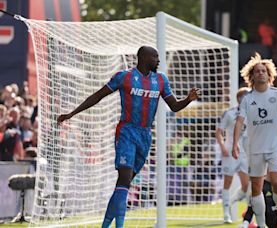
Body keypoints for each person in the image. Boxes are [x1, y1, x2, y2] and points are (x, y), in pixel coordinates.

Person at [57, 46, 200, 228]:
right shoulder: (124, 77)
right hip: (126, 131)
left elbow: (174, 106)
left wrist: (188, 99)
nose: (158, 60)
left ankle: (105, 225)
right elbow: (97, 96)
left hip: (146, 135)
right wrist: (72, 114)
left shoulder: (161, 80)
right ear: (143, 58)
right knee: (124, 180)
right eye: (155, 56)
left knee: (122, 185)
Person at [233, 38, 277, 228]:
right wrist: (234, 145)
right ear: (252, 76)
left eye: (264, 70)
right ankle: (261, 223)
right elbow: (239, 123)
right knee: (256, 187)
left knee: (275, 180)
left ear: (268, 74)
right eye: (258, 71)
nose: (261, 73)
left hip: (275, 146)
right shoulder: (248, 99)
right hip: (254, 146)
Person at [216, 87, 250, 223]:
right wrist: (223, 146)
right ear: (240, 98)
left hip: (245, 153)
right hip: (230, 152)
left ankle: (229, 203)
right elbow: (219, 131)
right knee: (227, 182)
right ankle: (226, 214)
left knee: (246, 185)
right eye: (246, 96)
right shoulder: (229, 113)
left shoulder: (252, 113)